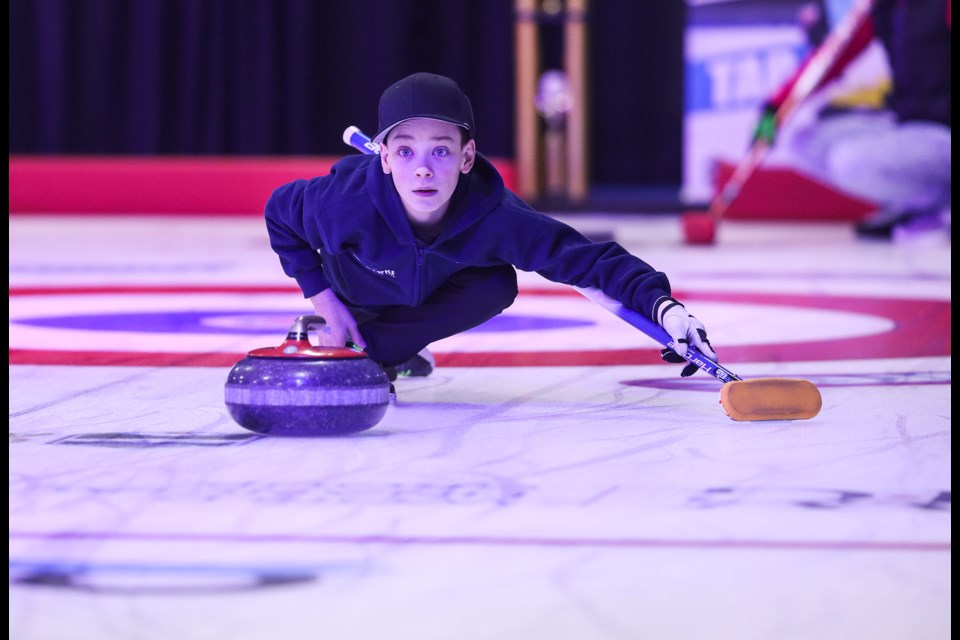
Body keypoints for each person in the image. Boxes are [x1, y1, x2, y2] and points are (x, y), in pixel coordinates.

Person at [264, 72, 716, 389]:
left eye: (440, 152)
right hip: (356, 291)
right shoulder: (346, 201)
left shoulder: (496, 215)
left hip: (430, 298)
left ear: (467, 157)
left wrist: (664, 308)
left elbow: (588, 260)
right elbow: (279, 212)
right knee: (355, 307)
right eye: (404, 153)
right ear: (383, 158)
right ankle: (364, 334)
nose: (422, 170)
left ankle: (383, 349)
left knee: (497, 283)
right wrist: (325, 301)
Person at [759, 0, 951, 241]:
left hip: (943, 134)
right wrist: (775, 108)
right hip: (911, 126)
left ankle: (939, 207)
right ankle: (919, 207)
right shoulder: (884, 7)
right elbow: (830, 59)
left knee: (850, 160)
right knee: (802, 142)